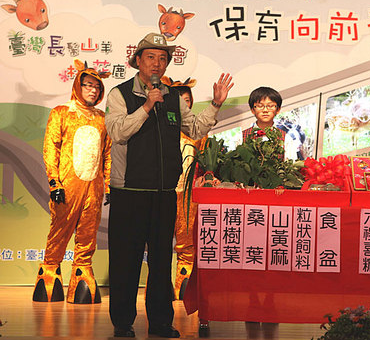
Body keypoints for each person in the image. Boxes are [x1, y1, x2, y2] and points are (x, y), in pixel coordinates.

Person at [105, 32, 233, 338]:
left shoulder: (173, 97)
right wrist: (147, 106)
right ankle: (122, 323)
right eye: (150, 57)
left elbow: (195, 128)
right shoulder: (120, 94)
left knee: (161, 261)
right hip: (129, 192)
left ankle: (161, 322)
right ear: (137, 60)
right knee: (126, 261)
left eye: (163, 58)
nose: (157, 63)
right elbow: (117, 132)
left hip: (164, 193)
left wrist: (215, 104)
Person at [33, 60, 111, 304]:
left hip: (94, 188)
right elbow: (51, 149)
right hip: (67, 186)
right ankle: (49, 271)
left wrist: (108, 185)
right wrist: (54, 183)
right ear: (78, 85)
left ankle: (82, 273)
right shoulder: (61, 112)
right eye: (88, 85)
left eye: (97, 87)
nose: (93, 90)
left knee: (88, 233)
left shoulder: (102, 119)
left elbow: (108, 154)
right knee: (59, 231)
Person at [161, 76, 207, 301]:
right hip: (163, 191)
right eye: (178, 100)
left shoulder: (199, 132)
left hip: (189, 195)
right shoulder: (159, 126)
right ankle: (160, 283)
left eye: (187, 100)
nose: (183, 104)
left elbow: (206, 162)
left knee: (187, 238)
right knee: (160, 239)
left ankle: (185, 277)